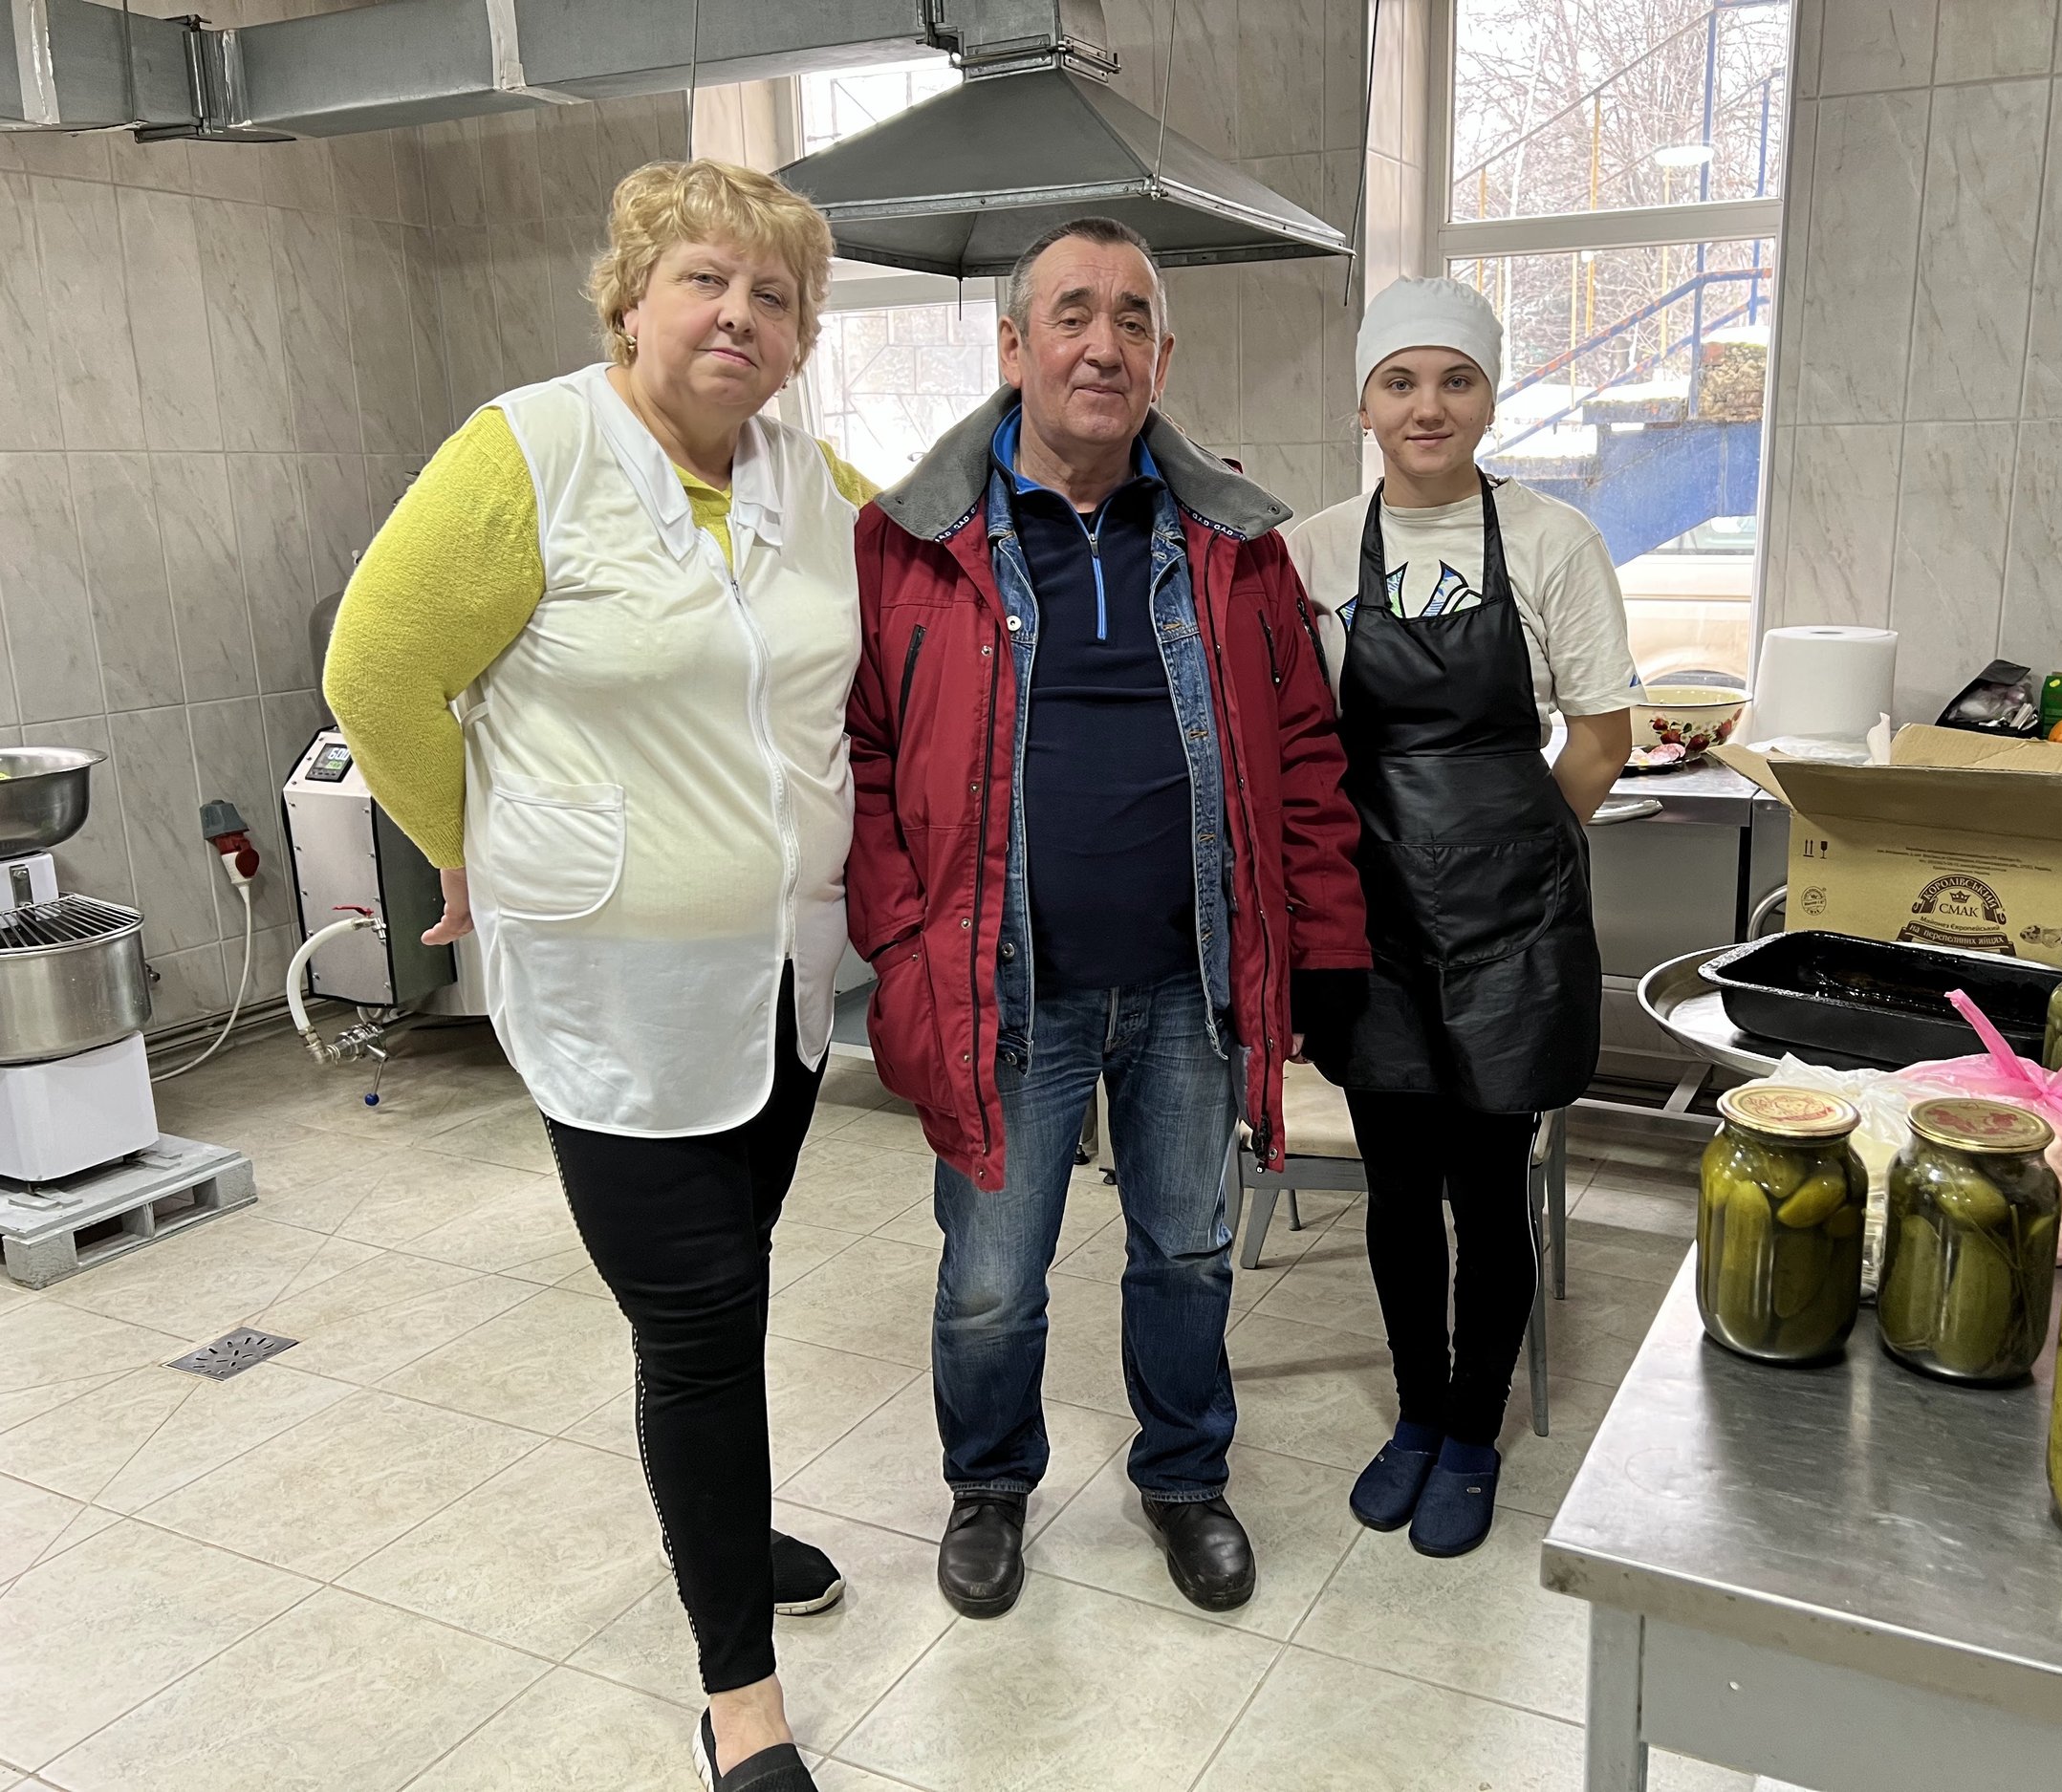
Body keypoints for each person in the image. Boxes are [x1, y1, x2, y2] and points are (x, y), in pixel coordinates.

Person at [325, 160, 875, 1792]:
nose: (740, 317)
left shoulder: (813, 482)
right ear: (630, 298)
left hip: (781, 982)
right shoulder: (532, 451)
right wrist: (467, 849)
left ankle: (715, 1525)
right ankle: (739, 1692)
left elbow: (922, 618)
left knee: (723, 1295)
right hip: (617, 992)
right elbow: (378, 670)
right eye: (706, 280)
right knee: (700, 1318)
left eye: (775, 297)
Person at [845, 216, 1371, 1620]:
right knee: (991, 1277)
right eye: (1072, 314)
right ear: (1012, 348)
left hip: (1194, 986)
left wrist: (1321, 955)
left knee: (1188, 1252)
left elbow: (1306, 759)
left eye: (1133, 319)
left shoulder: (1234, 542)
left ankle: (1186, 1479)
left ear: (1163, 357)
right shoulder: (910, 544)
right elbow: (866, 761)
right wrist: (900, 949)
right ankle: (991, 1485)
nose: (1104, 342)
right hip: (1001, 989)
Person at [1286, 276, 1634, 1560]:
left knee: (1487, 1189)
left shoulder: (1554, 542)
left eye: (1456, 380)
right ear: (1365, 400)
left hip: (1508, 928)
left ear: (1490, 397)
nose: (1427, 406)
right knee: (1392, 1188)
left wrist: (1512, 857)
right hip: (1367, 917)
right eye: (1401, 381)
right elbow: (1290, 737)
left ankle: (1475, 1432)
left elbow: (1600, 739)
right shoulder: (1313, 553)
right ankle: (1417, 1417)